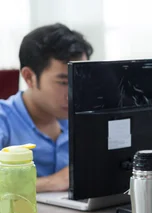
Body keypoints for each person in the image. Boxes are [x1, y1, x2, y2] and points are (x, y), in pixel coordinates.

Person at [0, 23, 92, 192]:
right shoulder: (4, 120)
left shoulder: (83, 119)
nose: (74, 93)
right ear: (29, 77)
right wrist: (53, 182)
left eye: (79, 79)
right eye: (64, 82)